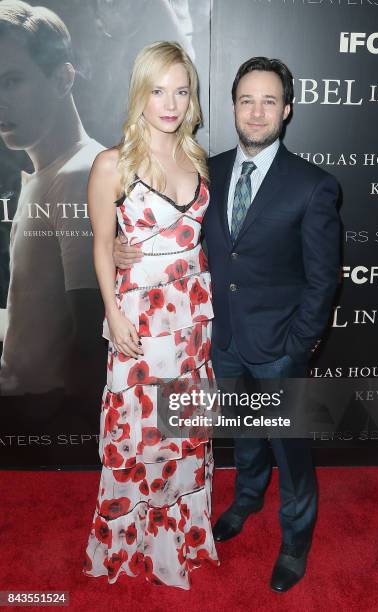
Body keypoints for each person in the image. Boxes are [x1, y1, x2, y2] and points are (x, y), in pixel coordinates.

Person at [113, 56, 341, 593]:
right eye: (246, 100)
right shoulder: (205, 171)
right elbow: (173, 234)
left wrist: (298, 345)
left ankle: (295, 538)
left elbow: (322, 279)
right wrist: (125, 249)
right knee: (244, 436)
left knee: (291, 448)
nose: (256, 112)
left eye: (268, 101)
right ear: (232, 108)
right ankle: (244, 501)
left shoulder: (314, 186)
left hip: (280, 346)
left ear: (286, 110)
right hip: (219, 339)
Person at [82, 41, 219, 589]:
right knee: (138, 433)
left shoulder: (198, 159)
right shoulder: (112, 163)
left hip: (191, 323)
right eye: (159, 90)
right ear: (139, 93)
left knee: (183, 428)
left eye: (181, 91)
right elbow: (100, 244)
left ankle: (180, 537)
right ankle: (130, 539)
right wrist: (111, 311)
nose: (171, 103)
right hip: (140, 317)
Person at [0, 0, 105, 402]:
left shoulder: (79, 175)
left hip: (45, 431)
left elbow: (91, 338)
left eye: (11, 81)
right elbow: (39, 322)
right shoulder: (47, 176)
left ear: (63, 80)